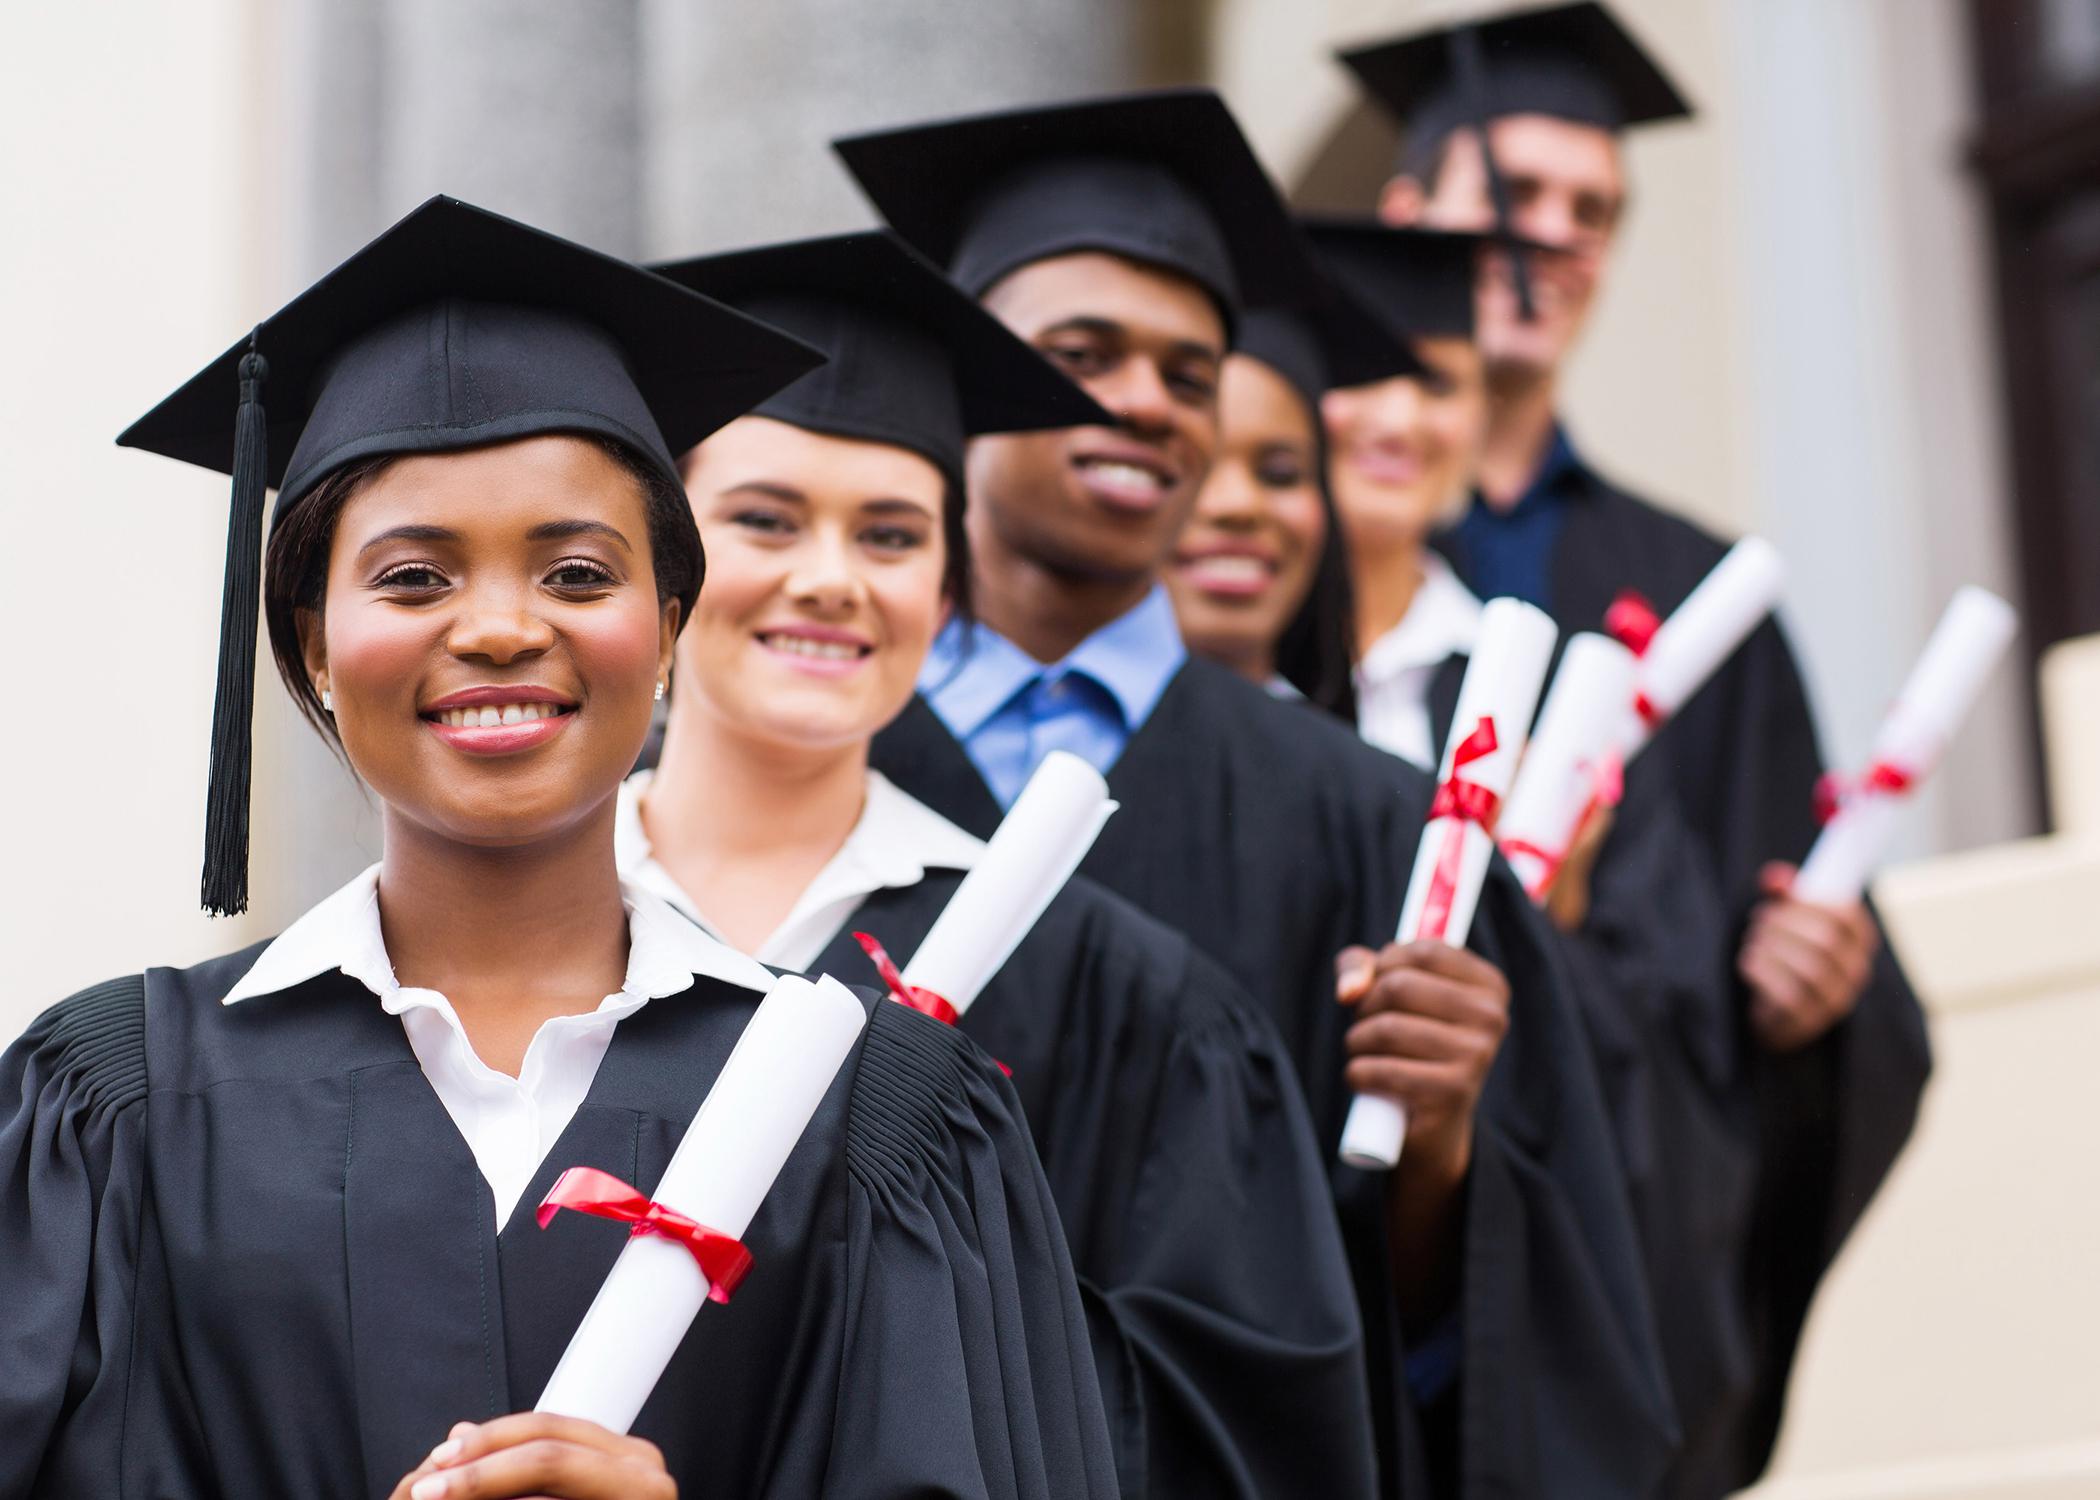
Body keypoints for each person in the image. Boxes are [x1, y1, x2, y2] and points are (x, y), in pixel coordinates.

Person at [2, 196, 1122, 1500]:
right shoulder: (115, 1107)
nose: (495, 628)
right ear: (311, 640)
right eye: (413, 577)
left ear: (667, 631)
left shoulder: (887, 1122)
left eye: (579, 575)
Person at [836, 89, 1677, 1497]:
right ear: (963, 376)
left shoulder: (1362, 815)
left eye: (1190, 369)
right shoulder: (810, 764)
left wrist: (1446, 1139)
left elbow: (1473, 1346)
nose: (1149, 405)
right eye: (1083, 354)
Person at [625, 227, 1380, 1499]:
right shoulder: (509, 934)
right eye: (762, 518)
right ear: (658, 556)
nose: (831, 581)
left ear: (948, 586)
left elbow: (1240, 1434)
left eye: (891, 535)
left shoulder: (1120, 989)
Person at [1339, 6, 1932, 1489]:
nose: (1555, 239)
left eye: (1592, 210)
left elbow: (1779, 925)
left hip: (1627, 1235)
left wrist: (1817, 992)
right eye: (1516, 195)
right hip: (1357, 1211)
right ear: (1408, 216)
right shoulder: (1312, 542)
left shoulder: (1694, 588)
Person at [1180, 216, 1761, 1495]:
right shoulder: (1205, 729)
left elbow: (1661, 1056)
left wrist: (1541, 947)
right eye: (1352, 384)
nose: (1392, 418)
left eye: (1436, 381)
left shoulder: (1550, 716)